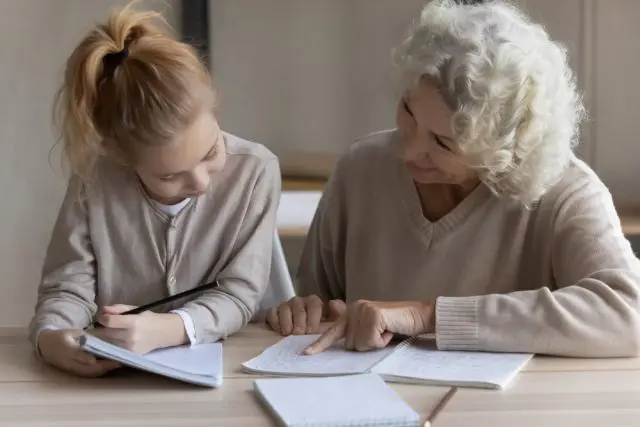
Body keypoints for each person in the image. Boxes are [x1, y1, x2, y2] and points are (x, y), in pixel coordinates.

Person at [267, 0, 640, 358]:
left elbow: (629, 313)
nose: (409, 151)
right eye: (409, 111)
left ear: (504, 150)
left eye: (443, 142)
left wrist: (428, 316)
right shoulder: (361, 168)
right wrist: (304, 311)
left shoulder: (565, 192)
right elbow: (318, 302)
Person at [30, 2, 280, 377]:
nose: (200, 183)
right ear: (121, 158)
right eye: (169, 176)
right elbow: (67, 290)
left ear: (216, 108)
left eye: (211, 152)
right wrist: (51, 338)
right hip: (111, 388)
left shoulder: (256, 171)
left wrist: (171, 328)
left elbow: (240, 293)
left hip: (228, 376)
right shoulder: (94, 180)